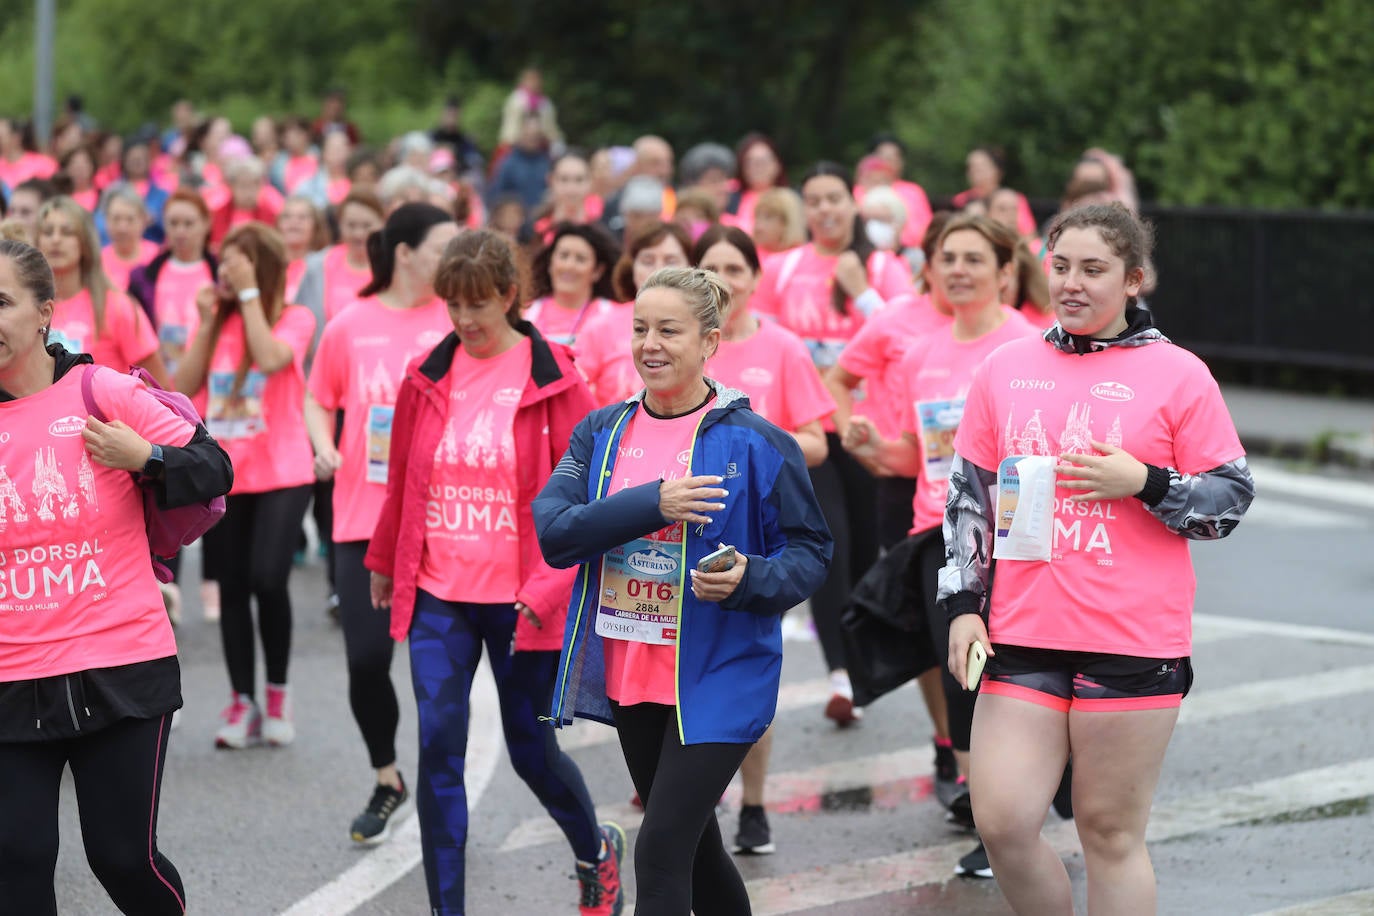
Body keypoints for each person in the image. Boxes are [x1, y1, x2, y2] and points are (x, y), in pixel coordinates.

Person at [939, 204, 1254, 910]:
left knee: (1108, 833)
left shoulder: (1179, 374)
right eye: (1060, 266)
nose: (1072, 283)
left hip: (1132, 640)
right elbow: (967, 498)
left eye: (1093, 269)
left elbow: (1230, 501)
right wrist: (962, 606)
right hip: (1021, 631)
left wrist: (1144, 482)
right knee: (1003, 822)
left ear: (1133, 279)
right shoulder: (1006, 366)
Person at [534, 265, 832, 915]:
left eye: (669, 330)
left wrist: (751, 577)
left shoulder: (755, 442)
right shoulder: (602, 433)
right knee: (695, 850)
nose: (651, 344)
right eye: (640, 329)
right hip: (633, 668)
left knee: (660, 852)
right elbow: (554, 531)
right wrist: (654, 503)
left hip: (722, 673)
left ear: (709, 342)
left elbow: (812, 553)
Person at [364, 228, 623, 915]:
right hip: (439, 596)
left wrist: (548, 589)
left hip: (522, 602)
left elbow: (585, 500)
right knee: (439, 746)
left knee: (531, 753)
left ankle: (595, 850)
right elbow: (402, 482)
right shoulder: (425, 372)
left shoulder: (558, 376)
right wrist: (387, 560)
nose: (466, 320)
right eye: (454, 304)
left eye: (479, 303)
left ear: (511, 295)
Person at [0, 238, 232, 916]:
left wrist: (150, 456)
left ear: (44, 313)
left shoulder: (101, 391)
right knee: (15, 860)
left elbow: (215, 468)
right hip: (11, 674)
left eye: (1, 301)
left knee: (122, 859)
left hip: (120, 665)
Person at [842, 214, 1040, 878]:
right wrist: (871, 446)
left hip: (1016, 537)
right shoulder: (923, 353)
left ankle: (1021, 806)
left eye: (973, 258)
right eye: (947, 257)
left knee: (1008, 681)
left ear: (1005, 271)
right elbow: (912, 458)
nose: (957, 269)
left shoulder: (1031, 347)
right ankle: (988, 821)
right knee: (963, 677)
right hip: (940, 534)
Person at [305, 202, 456, 844]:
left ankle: (442, 794)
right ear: (405, 252)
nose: (454, 258)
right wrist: (323, 443)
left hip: (440, 520)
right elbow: (319, 395)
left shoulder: (458, 322)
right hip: (362, 517)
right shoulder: (350, 324)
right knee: (367, 660)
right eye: (443, 246)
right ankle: (388, 776)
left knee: (437, 672)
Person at [750, 161, 913, 724]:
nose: (824, 210)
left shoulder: (883, 266)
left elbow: (907, 338)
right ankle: (841, 674)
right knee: (830, 544)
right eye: (813, 200)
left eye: (834, 199)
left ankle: (859, 660)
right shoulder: (784, 267)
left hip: (869, 430)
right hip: (808, 433)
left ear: (853, 204)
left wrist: (861, 291)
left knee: (868, 551)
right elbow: (762, 342)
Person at [695, 225, 835, 857]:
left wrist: (757, 446)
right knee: (687, 662)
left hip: (760, 530)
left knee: (748, 668)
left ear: (755, 277)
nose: (724, 277)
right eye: (710, 266)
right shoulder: (684, 341)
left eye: (735, 266)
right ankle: (696, 797)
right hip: (687, 522)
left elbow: (817, 441)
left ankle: (753, 803)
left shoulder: (782, 347)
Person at [172, 222, 317, 749]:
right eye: (225, 263)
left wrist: (253, 294)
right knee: (232, 587)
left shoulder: (295, 317)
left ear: (262, 268)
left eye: (239, 263)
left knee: (268, 578)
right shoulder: (219, 320)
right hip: (227, 474)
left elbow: (274, 357)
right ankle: (242, 701)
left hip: (283, 471)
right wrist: (209, 323)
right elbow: (182, 387)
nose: (227, 272)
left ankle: (277, 692)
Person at [37, 196, 169, 387]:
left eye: (67, 232)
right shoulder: (28, 308)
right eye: (48, 232)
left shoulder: (117, 305)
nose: (56, 239)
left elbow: (159, 389)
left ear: (84, 242)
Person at [578, 221, 691, 407]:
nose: (659, 269)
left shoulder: (704, 326)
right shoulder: (600, 327)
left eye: (671, 261)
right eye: (647, 261)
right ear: (632, 269)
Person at [523, 222, 620, 347]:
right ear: (550, 263)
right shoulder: (525, 313)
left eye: (580, 259)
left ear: (597, 271)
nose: (569, 266)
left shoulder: (612, 315)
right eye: (563, 256)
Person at [857, 133, 934, 251]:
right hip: (866, 249)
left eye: (894, 157)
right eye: (884, 157)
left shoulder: (913, 191)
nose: (889, 162)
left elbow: (926, 228)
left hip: (908, 250)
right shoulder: (859, 189)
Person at [952, 146, 1037, 237]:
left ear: (998, 171)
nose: (974, 172)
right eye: (970, 167)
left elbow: (1030, 235)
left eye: (980, 167)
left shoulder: (1013, 199)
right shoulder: (960, 200)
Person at [99, 185, 159, 293]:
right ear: (106, 220)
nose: (123, 228)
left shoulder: (157, 256)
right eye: (116, 219)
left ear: (143, 220)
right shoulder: (97, 261)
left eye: (130, 219)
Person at [726, 133, 787, 236]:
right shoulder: (728, 195)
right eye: (751, 162)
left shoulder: (790, 200)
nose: (758, 167)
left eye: (764, 161)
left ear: (777, 165)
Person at [276, 195, 330, 301]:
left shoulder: (325, 264)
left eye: (302, 217)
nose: (294, 222)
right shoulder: (268, 264)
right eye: (287, 216)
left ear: (316, 226)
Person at [750, 187, 806, 257]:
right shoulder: (749, 256)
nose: (758, 225)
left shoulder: (800, 257)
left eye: (768, 217)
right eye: (757, 216)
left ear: (787, 223)